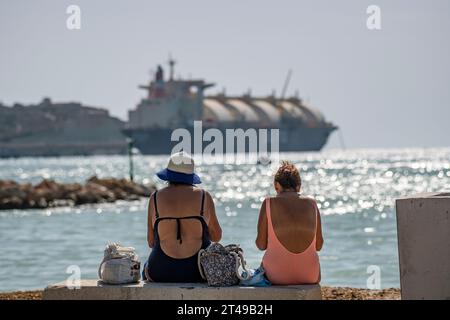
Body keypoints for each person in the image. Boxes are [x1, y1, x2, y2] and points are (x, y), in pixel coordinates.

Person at [143, 152, 222, 282]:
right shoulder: (204, 196)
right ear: (190, 176)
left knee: (145, 267)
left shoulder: (155, 198)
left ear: (169, 175)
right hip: (199, 270)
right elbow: (217, 237)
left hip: (160, 270)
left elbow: (151, 242)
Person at [255, 161, 324, 285]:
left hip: (277, 275)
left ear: (277, 186)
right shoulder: (312, 204)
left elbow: (261, 245)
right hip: (310, 274)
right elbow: (319, 246)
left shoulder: (268, 203)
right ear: (299, 186)